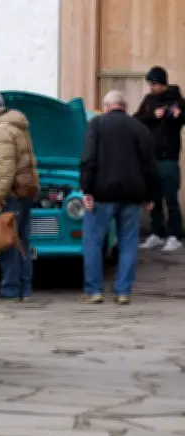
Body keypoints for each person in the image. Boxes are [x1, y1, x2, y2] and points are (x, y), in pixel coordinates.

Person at [80, 91, 157, 305]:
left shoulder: (96, 124)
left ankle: (94, 291)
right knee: (129, 243)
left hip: (102, 194)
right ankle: (123, 292)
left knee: (93, 242)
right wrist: (150, 195)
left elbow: (88, 159)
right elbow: (150, 165)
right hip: (132, 196)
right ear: (125, 106)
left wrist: (86, 190)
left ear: (106, 106)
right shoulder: (140, 128)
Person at [0, 92, 40, 302]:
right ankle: (25, 288)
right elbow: (14, 163)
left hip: (11, 194)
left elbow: (6, 168)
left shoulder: (0, 131)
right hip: (25, 191)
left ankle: (10, 289)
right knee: (21, 240)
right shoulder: (18, 126)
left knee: (7, 240)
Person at [135, 66, 185, 252]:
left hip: (169, 158)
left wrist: (179, 115)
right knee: (153, 197)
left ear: (163, 83)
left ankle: (175, 235)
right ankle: (156, 233)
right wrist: (152, 115)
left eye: (154, 83)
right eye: (149, 83)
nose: (151, 87)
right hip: (151, 158)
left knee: (170, 197)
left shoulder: (177, 100)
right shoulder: (149, 101)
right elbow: (136, 119)